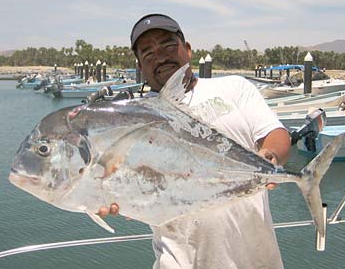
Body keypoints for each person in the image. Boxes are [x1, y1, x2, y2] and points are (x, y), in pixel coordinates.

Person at [99, 14, 291, 269]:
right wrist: (114, 196)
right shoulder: (133, 120)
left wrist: (270, 155)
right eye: (148, 52)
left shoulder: (234, 88)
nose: (160, 56)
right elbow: (130, 184)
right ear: (140, 66)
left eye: (168, 45)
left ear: (188, 50)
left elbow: (275, 134)